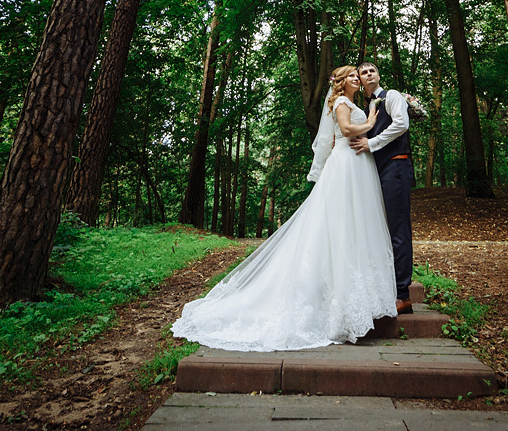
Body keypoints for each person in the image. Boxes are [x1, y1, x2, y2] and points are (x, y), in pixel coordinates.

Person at [170, 65, 397, 351]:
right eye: (351, 75)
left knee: (357, 224)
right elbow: (347, 129)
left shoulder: (354, 102)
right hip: (345, 164)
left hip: (359, 164)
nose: (356, 78)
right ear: (340, 82)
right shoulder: (340, 102)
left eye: (357, 75)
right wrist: (371, 122)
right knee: (339, 223)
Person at [349, 62, 413, 314]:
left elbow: (401, 124)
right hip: (378, 171)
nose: (368, 74)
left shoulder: (392, 96)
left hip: (396, 168)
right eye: (363, 73)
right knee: (381, 229)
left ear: (378, 75)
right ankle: (388, 286)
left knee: (398, 229)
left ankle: (403, 294)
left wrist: (372, 142)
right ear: (361, 82)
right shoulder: (367, 108)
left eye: (372, 70)